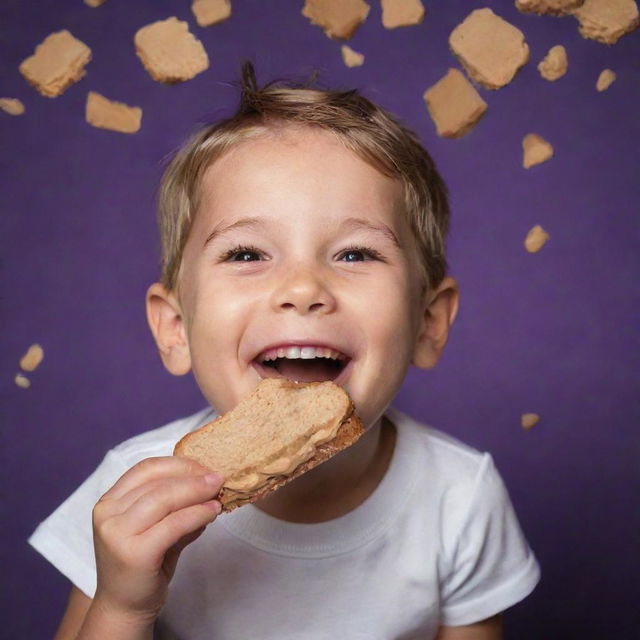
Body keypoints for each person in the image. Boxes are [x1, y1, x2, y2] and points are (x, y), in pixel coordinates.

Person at [29, 61, 540, 640]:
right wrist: (124, 605)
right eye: (246, 254)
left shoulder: (461, 497)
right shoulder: (128, 491)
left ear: (428, 323)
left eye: (355, 254)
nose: (302, 289)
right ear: (175, 328)